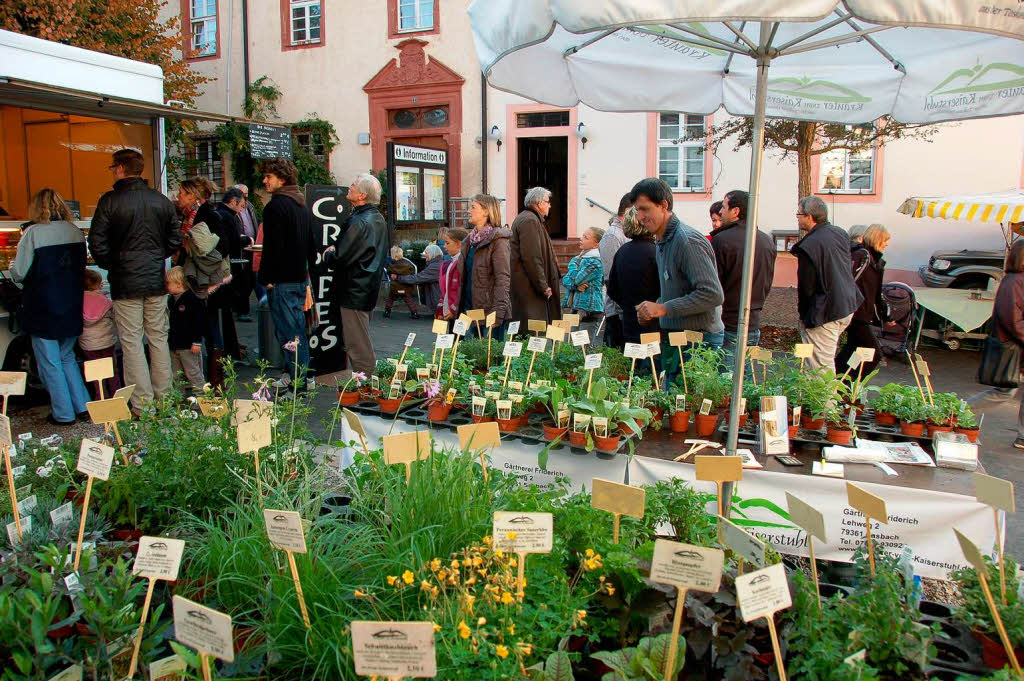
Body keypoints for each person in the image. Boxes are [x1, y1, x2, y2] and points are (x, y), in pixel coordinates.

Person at [88, 149, 180, 412]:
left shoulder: (110, 200)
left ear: (119, 168)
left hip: (125, 281)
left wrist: (114, 263)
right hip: (154, 279)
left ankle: (143, 404)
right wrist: (154, 257)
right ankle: (165, 399)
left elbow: (97, 241)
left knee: (132, 343)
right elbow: (174, 239)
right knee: (158, 339)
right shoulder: (160, 200)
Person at [632, 178, 724, 384]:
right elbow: (678, 288)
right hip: (678, 337)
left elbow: (712, 294)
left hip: (698, 341)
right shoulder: (663, 240)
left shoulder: (686, 240)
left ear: (664, 205)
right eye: (637, 210)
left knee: (689, 408)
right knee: (674, 407)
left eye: (645, 209)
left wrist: (663, 308)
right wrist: (653, 308)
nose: (640, 217)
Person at [10, 189, 91, 425]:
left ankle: (63, 414)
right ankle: (83, 407)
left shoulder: (33, 233)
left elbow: (20, 272)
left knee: (50, 363)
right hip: (72, 303)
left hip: (43, 305)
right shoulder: (75, 231)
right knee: (67, 357)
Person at [258, 158, 317, 390]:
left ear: (281, 178)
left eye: (268, 176)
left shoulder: (276, 206)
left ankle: (298, 384)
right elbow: (310, 244)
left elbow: (273, 247)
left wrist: (267, 279)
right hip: (298, 278)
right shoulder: (300, 204)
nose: (265, 181)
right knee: (296, 331)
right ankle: (301, 378)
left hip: (282, 280)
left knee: (290, 335)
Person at [323, 173, 388, 377]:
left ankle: (366, 384)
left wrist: (330, 254)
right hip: (364, 287)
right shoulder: (375, 218)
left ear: (362, 195)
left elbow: (343, 257)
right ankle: (365, 381)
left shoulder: (361, 221)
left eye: (352, 185)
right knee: (358, 338)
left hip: (354, 289)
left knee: (357, 342)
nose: (348, 187)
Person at [791, 196, 863, 371]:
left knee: (819, 368)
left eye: (799, 213)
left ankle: (824, 399)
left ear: (810, 216)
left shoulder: (810, 245)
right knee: (822, 360)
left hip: (826, 311)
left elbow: (807, 288)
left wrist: (806, 317)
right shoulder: (839, 233)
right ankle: (817, 397)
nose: (797, 217)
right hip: (846, 304)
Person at [174, 177, 232, 387]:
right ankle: (204, 379)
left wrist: (198, 255)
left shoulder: (208, 215)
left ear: (192, 195)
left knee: (210, 328)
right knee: (203, 327)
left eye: (181, 193)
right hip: (197, 280)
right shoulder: (189, 216)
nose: (178, 197)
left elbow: (223, 246)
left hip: (207, 282)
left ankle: (217, 383)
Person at [711, 189, 776, 352]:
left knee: (726, 375)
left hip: (728, 323)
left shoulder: (721, 240)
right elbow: (767, 283)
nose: (720, 211)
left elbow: (713, 286)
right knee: (746, 375)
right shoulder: (766, 241)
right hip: (753, 322)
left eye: (724, 207)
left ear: (736, 211)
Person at [836, 224, 892, 376]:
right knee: (872, 353)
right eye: (885, 240)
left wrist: (886, 315)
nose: (887, 244)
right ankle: (845, 381)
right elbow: (850, 282)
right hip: (856, 312)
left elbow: (877, 292)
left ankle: (839, 380)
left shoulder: (876, 261)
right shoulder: (863, 256)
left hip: (863, 313)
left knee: (854, 349)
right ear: (877, 239)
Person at [461, 194, 512, 339]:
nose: (468, 211)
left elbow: (503, 278)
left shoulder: (498, 241)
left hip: (491, 312)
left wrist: (498, 311)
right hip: (471, 308)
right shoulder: (469, 241)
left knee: (492, 358)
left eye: (473, 207)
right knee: (472, 357)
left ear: (486, 211)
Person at [608, 207, 660, 347]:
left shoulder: (622, 252)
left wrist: (630, 306)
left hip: (629, 322)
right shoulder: (657, 252)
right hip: (655, 324)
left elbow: (612, 289)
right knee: (652, 366)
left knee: (633, 364)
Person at [989, 241, 1024, 448]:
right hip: (1013, 345)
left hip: (1017, 344)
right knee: (1004, 391)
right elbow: (1012, 318)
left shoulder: (1017, 281)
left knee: (1007, 390)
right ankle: (957, 411)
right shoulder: (1014, 282)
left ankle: (1023, 436)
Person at [510, 187, 561, 326]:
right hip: (529, 289)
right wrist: (543, 285)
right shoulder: (529, 221)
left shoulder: (531, 219)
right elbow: (532, 257)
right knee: (532, 332)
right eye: (547, 201)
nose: (550, 205)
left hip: (529, 287)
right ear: (539, 203)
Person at [80, 269, 121, 398]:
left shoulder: (78, 301)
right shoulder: (105, 301)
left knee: (95, 373)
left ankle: (101, 396)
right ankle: (116, 395)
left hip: (88, 344)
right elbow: (115, 319)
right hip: (107, 342)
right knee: (112, 370)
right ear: (98, 284)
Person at [165, 266, 206, 392]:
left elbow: (198, 323)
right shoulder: (171, 300)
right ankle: (179, 397)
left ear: (178, 284)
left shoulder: (192, 300)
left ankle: (201, 397)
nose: (166, 286)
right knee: (176, 374)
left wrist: (197, 341)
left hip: (188, 345)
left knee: (193, 372)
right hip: (174, 343)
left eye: (168, 283)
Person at [562, 226, 605, 342]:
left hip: (590, 309)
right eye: (582, 236)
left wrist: (572, 263)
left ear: (596, 244)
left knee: (583, 346)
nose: (581, 239)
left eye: (585, 237)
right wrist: (576, 286)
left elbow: (577, 279)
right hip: (576, 307)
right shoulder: (582, 258)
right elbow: (565, 280)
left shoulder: (595, 261)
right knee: (570, 343)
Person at [599, 193, 631, 349]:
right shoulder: (613, 235)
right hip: (617, 313)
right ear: (627, 211)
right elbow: (610, 278)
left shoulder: (626, 233)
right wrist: (622, 310)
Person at [232, 183, 260, 320]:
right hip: (240, 249)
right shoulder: (233, 209)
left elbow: (253, 223)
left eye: (246, 194)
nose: (245, 197)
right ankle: (242, 310)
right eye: (242, 194)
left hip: (252, 248)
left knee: (251, 279)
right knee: (242, 281)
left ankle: (245, 308)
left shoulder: (250, 207)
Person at [393, 244, 443, 315]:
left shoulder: (434, 267)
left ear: (432, 254)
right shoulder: (438, 264)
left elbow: (417, 278)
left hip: (438, 299)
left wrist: (398, 277)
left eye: (426, 253)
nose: (425, 255)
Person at [383, 246, 421, 319]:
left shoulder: (391, 264)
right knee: (409, 300)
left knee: (390, 299)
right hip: (405, 287)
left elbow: (388, 272)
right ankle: (414, 313)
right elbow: (412, 271)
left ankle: (387, 312)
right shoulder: (407, 264)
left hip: (394, 287)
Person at [438, 228, 466, 319]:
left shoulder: (461, 263)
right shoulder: (451, 262)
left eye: (447, 243)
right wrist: (441, 307)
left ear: (458, 244)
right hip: (450, 312)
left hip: (458, 313)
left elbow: (461, 290)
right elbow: (446, 290)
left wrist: (453, 309)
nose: (444, 247)